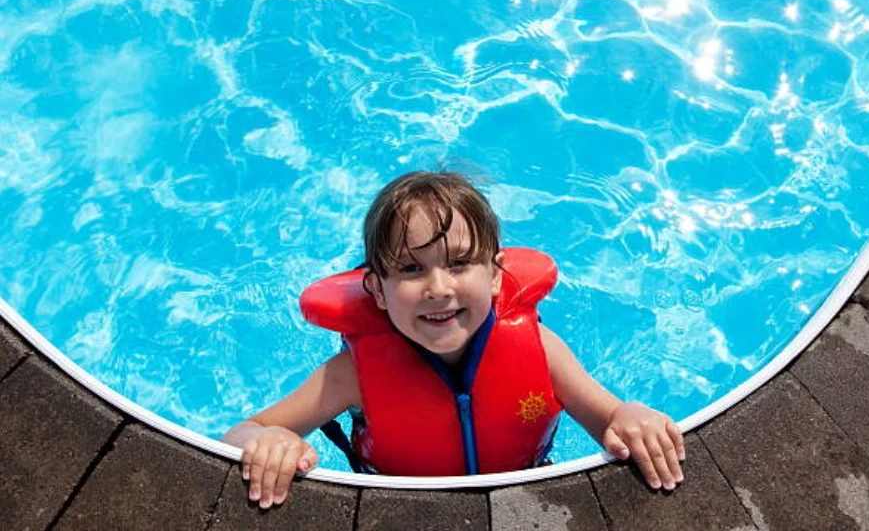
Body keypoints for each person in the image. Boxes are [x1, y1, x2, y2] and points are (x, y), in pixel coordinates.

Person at [222, 171, 685, 509]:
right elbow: (244, 432)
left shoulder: (540, 348)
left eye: (460, 264)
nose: (438, 288)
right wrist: (269, 443)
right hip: (396, 512)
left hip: (531, 503)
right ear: (377, 291)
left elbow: (610, 418)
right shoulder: (352, 377)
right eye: (410, 269)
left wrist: (633, 416)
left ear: (497, 276)